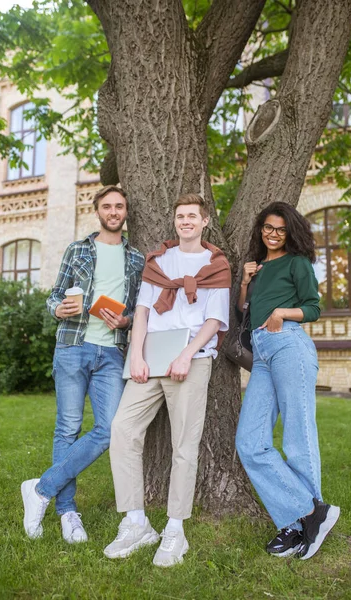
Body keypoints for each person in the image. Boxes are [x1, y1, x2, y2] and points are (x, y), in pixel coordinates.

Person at [104, 193, 231, 567]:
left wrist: (186, 354)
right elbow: (142, 311)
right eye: (180, 216)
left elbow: (214, 320)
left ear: (204, 221)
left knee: (184, 446)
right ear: (174, 221)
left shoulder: (216, 264)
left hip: (190, 360)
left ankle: (175, 529)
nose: (185, 221)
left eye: (192, 216)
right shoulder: (158, 261)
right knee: (122, 430)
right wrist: (137, 355)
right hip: (150, 358)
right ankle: (136, 521)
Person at [21, 185, 144, 543]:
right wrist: (58, 309)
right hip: (73, 346)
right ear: (98, 211)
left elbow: (139, 307)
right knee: (68, 429)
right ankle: (67, 512)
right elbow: (54, 296)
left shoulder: (136, 258)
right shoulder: (78, 249)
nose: (114, 211)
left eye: (120, 206)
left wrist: (128, 320)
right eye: (107, 206)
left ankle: (41, 489)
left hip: (112, 353)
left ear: (125, 212)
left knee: (109, 430)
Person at [235, 201, 340, 561]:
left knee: (297, 434)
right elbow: (242, 311)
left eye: (280, 229)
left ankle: (301, 526)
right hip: (261, 354)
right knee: (249, 442)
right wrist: (245, 281)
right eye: (268, 227)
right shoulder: (259, 267)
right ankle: (311, 513)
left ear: (289, 231)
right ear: (260, 228)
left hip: (288, 344)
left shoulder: (297, 262)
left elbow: (313, 307)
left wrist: (282, 312)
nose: (273, 234)